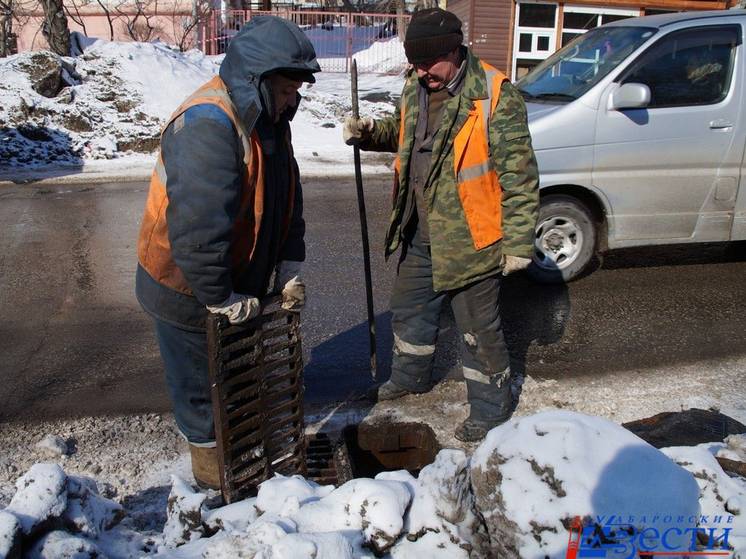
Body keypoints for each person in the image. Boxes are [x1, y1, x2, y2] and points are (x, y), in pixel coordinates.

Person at [135, 16, 319, 489]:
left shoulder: (269, 118)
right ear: (255, 81)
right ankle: (214, 481)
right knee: (202, 394)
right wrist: (220, 297)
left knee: (238, 378)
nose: (291, 101)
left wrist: (289, 260)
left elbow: (286, 194)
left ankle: (244, 456)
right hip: (186, 287)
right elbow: (197, 236)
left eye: (296, 91)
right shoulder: (208, 126)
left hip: (234, 280)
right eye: (284, 91)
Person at [343, 8, 539, 442]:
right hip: (419, 229)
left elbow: (519, 176)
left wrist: (520, 242)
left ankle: (491, 407)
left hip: (473, 239)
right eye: (415, 62)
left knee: (477, 331)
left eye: (429, 62)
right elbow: (407, 135)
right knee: (410, 313)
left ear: (454, 50)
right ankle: (410, 377)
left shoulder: (494, 95)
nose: (421, 70)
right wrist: (371, 131)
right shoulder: (416, 86)